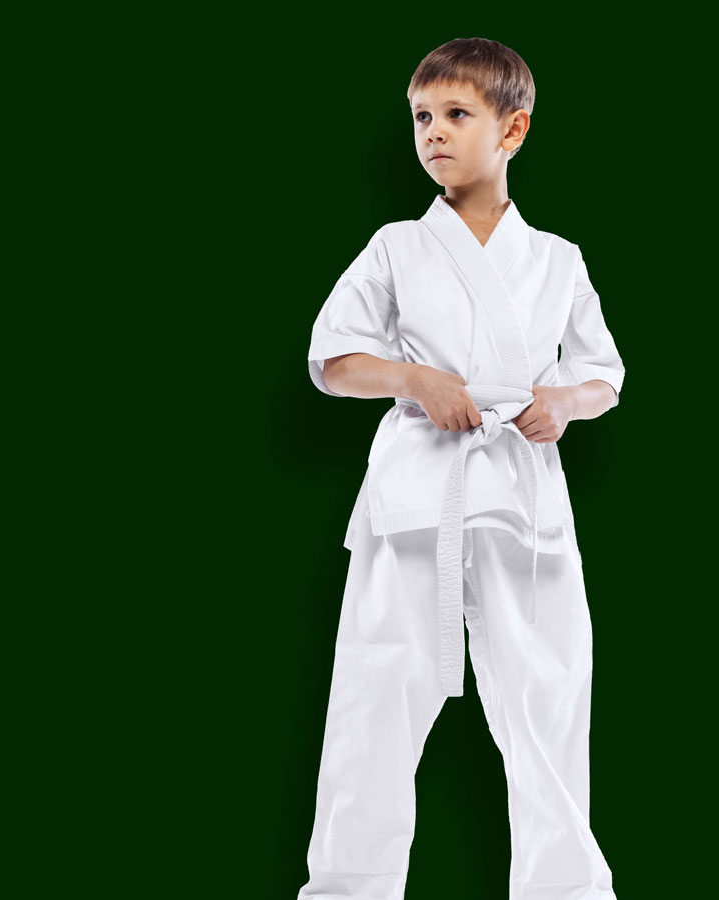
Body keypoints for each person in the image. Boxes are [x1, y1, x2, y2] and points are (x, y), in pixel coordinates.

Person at [297, 37, 625, 900]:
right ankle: (348, 888)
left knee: (548, 699)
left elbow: (605, 374)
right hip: (416, 497)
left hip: (522, 495)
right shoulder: (397, 245)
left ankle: (565, 891)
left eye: (455, 114)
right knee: (374, 698)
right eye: (420, 117)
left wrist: (564, 401)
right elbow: (333, 359)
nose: (432, 132)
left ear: (513, 130)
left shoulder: (557, 258)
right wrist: (414, 380)